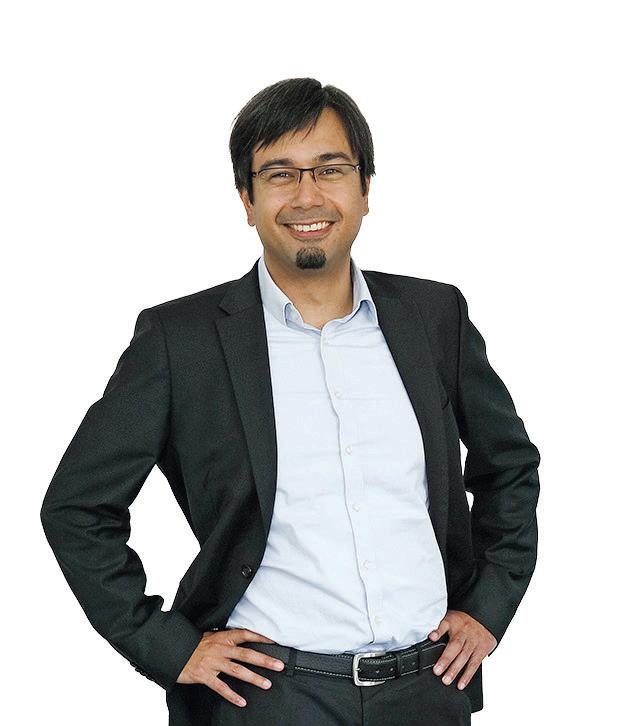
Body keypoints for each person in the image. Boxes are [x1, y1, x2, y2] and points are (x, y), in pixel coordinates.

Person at [40, 77, 541, 725]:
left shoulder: (434, 316)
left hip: (428, 689)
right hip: (268, 698)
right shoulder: (180, 341)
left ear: (365, 188)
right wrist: (166, 645)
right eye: (279, 174)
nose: (308, 195)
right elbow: (77, 506)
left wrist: (488, 608)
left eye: (331, 169)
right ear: (246, 199)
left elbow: (509, 467)